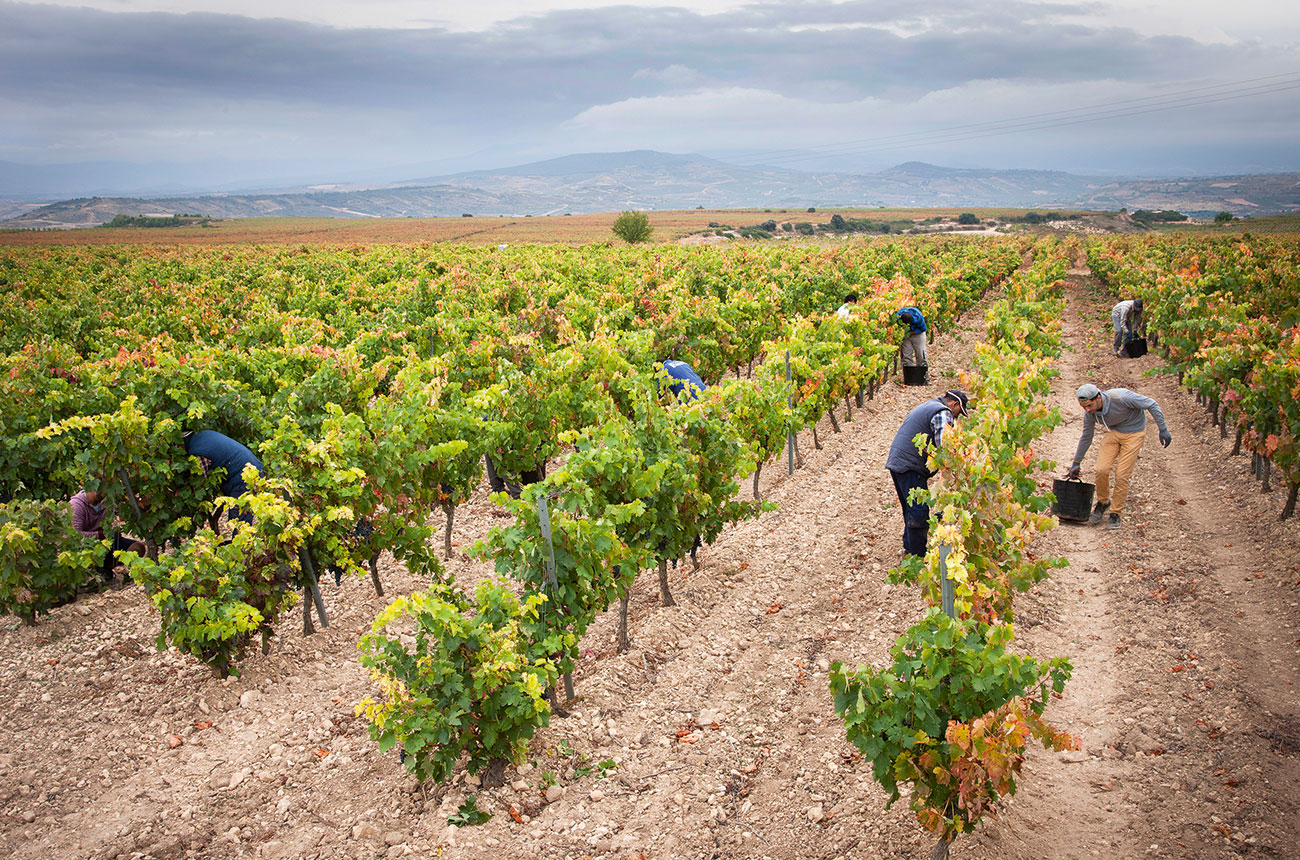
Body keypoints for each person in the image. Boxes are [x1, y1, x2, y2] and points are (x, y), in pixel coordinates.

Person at [1067, 384, 1171, 530]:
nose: (1087, 410)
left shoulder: (1121, 397)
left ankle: (1115, 513)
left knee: (1122, 475)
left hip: (1134, 433)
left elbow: (1151, 404)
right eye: (1083, 407)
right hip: (1113, 432)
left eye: (1089, 405)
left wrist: (1163, 429)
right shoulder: (1090, 413)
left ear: (1098, 397)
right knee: (1101, 470)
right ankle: (1103, 502)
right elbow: (1086, 437)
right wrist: (1076, 462)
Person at [885, 389, 970, 556]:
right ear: (954, 404)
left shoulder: (930, 405)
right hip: (910, 465)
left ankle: (910, 549)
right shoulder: (943, 413)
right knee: (918, 513)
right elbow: (944, 448)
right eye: (959, 412)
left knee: (910, 509)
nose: (957, 418)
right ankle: (918, 556)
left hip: (898, 461)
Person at [183, 430, 264, 524]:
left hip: (244, 476)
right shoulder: (203, 434)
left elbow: (201, 484)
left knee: (238, 523)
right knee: (240, 520)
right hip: (252, 468)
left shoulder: (197, 453)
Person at [69, 488, 146, 583]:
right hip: (86, 548)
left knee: (138, 547)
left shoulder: (105, 501)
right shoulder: (76, 506)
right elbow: (76, 536)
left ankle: (108, 567)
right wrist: (101, 535)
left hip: (105, 543)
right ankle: (96, 570)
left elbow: (123, 511)